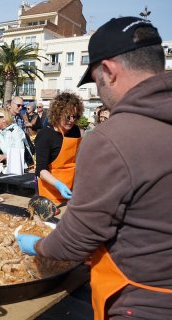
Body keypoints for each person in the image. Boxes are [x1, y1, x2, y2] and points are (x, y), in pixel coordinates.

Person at [17, 17, 172, 319]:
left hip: (141, 302)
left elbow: (77, 239)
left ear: (109, 71)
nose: (100, 92)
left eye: (96, 81)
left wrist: (38, 245)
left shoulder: (113, 136)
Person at [34, 92, 83, 204]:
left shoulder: (75, 130)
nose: (71, 120)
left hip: (71, 189)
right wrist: (59, 185)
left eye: (74, 116)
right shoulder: (45, 135)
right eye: (67, 116)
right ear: (57, 114)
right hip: (49, 192)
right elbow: (41, 170)